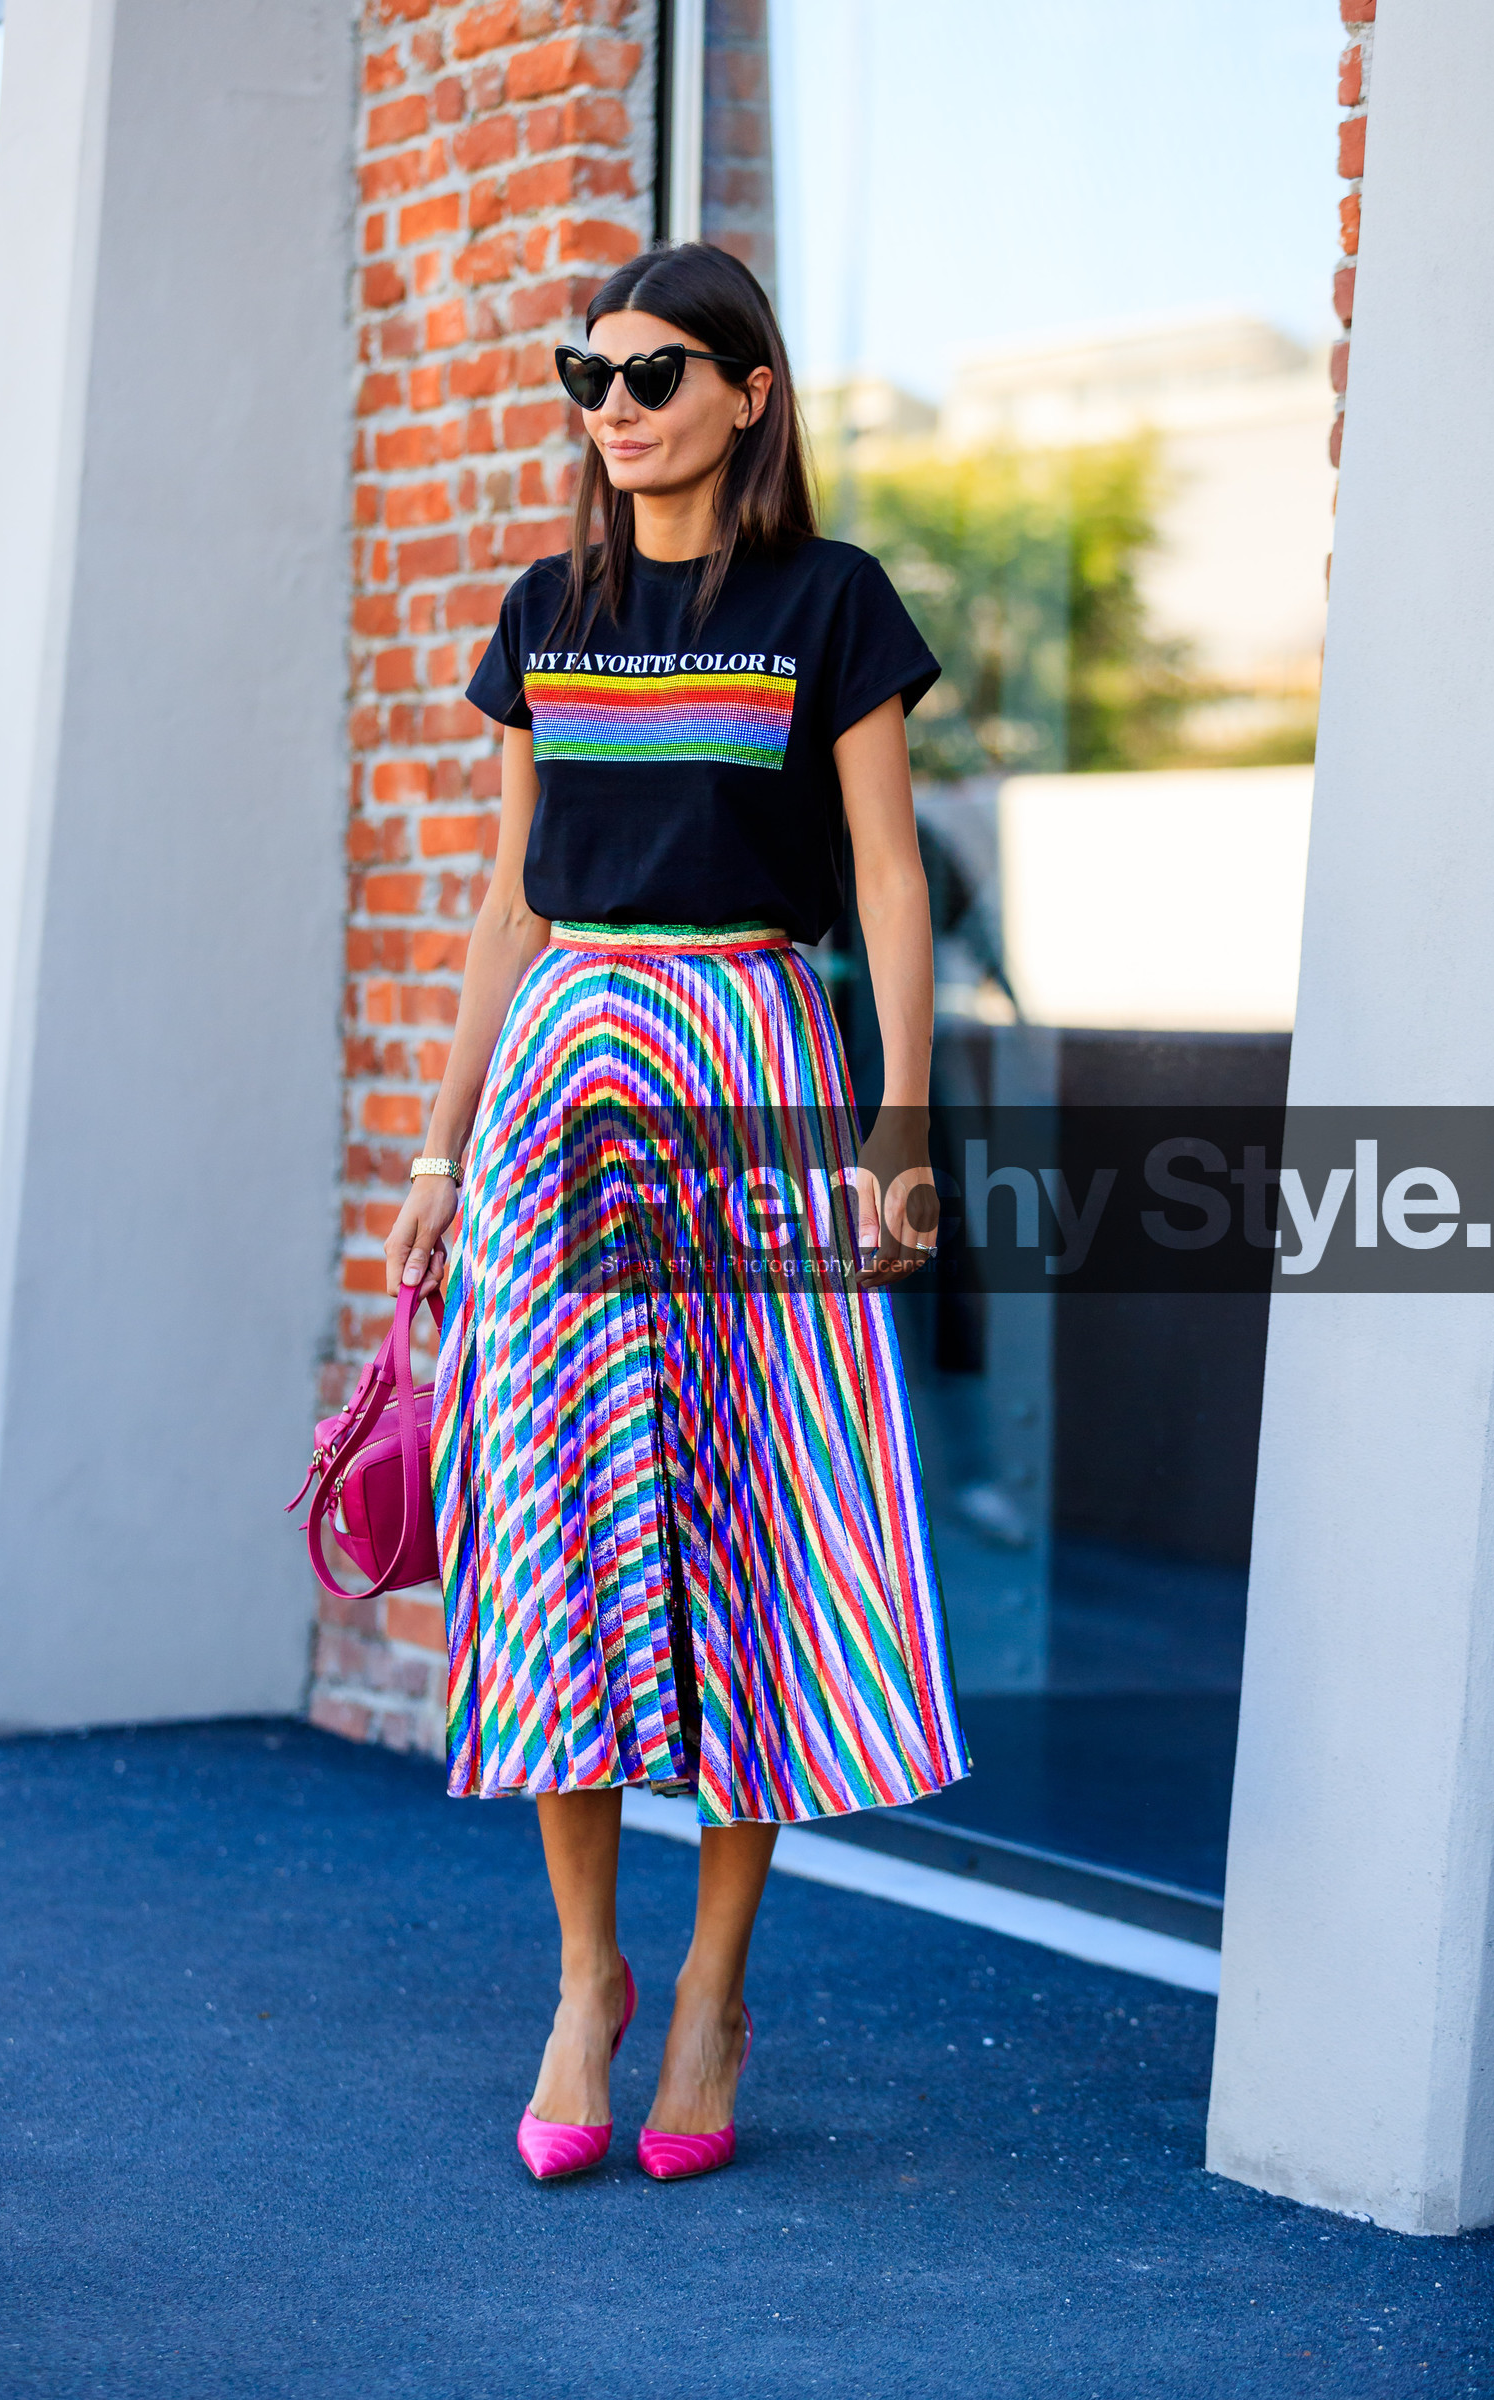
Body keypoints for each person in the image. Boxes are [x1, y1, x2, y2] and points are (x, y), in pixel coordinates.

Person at [382, 240, 971, 2185]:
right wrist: (440, 1161)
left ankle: (712, 1986)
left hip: (749, 1064)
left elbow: (888, 881)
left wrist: (897, 1121)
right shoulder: (546, 610)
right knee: (550, 1516)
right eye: (589, 374)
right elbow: (506, 904)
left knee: (746, 1523)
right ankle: (583, 1978)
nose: (612, 407)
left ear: (747, 395)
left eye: (652, 374)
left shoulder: (828, 604)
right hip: (562, 1084)